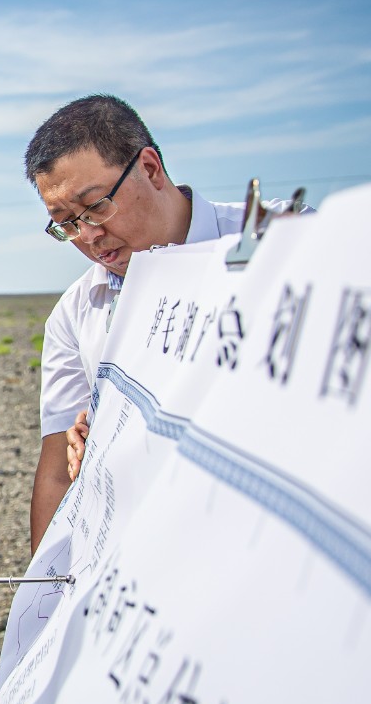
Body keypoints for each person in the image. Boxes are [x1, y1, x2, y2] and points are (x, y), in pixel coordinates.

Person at [25, 94, 307, 551]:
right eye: (67, 224)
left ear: (150, 169)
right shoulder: (76, 314)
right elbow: (58, 470)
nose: (90, 235)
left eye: (95, 206)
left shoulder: (286, 238)